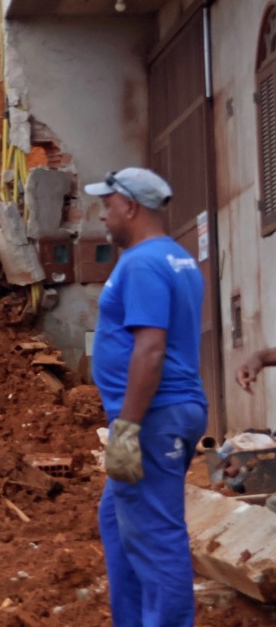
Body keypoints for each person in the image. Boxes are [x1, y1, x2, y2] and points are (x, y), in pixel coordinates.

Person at [85, 167, 207, 627]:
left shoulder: (142, 263)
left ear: (130, 206)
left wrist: (127, 428)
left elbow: (151, 349)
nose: (104, 215)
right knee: (117, 521)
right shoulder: (177, 258)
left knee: (157, 535)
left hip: (153, 417)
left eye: (108, 205)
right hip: (169, 411)